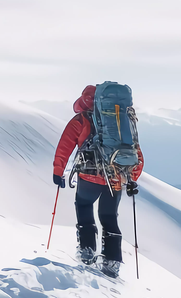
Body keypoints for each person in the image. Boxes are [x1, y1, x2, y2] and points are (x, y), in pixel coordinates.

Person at [52, 84, 144, 278]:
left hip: (89, 176)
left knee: (84, 206)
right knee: (109, 216)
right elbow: (135, 151)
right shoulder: (121, 122)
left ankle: (87, 251)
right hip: (115, 177)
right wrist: (131, 178)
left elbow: (65, 146)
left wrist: (58, 171)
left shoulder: (81, 119)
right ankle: (111, 262)